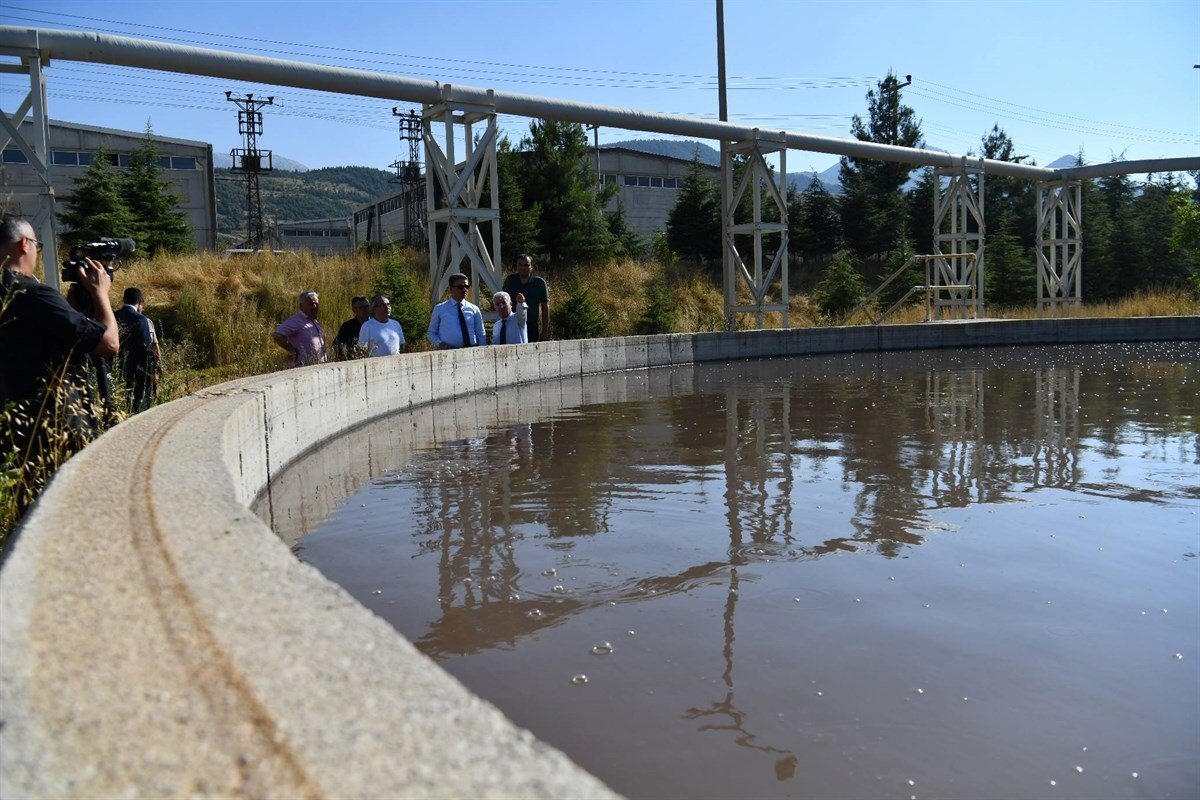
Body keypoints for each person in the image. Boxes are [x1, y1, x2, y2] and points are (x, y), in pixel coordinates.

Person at [0, 216, 120, 510]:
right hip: (54, 429)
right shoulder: (35, 294)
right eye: (37, 245)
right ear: (24, 245)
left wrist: (72, 312)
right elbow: (109, 344)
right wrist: (100, 294)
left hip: (11, 433)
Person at [114, 287, 161, 413]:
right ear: (140, 301)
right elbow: (145, 348)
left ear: (124, 300)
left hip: (117, 368)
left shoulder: (113, 316)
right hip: (139, 371)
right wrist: (152, 370)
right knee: (141, 407)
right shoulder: (141, 319)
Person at [427, 273, 484, 349]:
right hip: (449, 351)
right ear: (451, 288)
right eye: (460, 287)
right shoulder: (440, 309)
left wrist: (482, 350)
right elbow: (431, 333)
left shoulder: (474, 309)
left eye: (466, 287)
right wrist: (439, 343)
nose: (464, 289)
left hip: (472, 350)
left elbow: (480, 333)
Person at [501, 254, 549, 343]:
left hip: (531, 327)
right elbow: (503, 303)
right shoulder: (510, 280)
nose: (523, 268)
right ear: (517, 266)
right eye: (520, 265)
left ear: (532, 267)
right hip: (512, 325)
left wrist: (545, 331)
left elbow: (545, 308)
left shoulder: (539, 283)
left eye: (526, 265)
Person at [273, 291, 326, 367]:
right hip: (302, 369)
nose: (314, 307)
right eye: (311, 304)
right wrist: (292, 350)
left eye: (316, 304)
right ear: (301, 306)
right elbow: (277, 334)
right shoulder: (295, 320)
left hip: (319, 368)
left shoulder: (314, 322)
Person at [333, 295, 370, 360]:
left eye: (367, 306)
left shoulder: (376, 324)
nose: (364, 309)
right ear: (354, 310)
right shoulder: (347, 326)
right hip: (354, 363)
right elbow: (337, 344)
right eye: (361, 307)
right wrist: (343, 360)